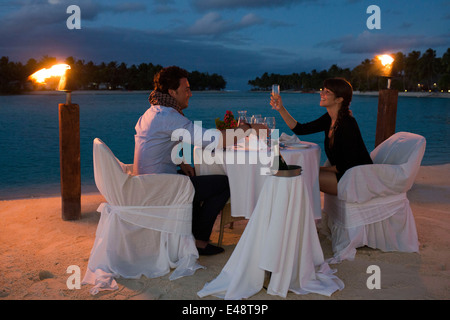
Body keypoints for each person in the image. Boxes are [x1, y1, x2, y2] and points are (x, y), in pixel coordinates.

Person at [133, 66, 266, 255]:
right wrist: (249, 128)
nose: (191, 94)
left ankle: (190, 235)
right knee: (224, 183)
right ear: (172, 92)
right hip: (159, 187)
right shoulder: (168, 116)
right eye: (186, 89)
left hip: (147, 182)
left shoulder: (153, 112)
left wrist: (182, 163)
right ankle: (200, 241)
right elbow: (214, 141)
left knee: (197, 177)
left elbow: (157, 145)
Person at [270, 77, 372, 196]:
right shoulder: (330, 118)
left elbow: (345, 165)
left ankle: (304, 214)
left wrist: (314, 167)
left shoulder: (347, 124)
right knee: (294, 173)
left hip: (357, 178)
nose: (321, 93)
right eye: (323, 90)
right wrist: (280, 109)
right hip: (344, 173)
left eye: (327, 92)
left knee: (298, 175)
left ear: (339, 99)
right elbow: (301, 129)